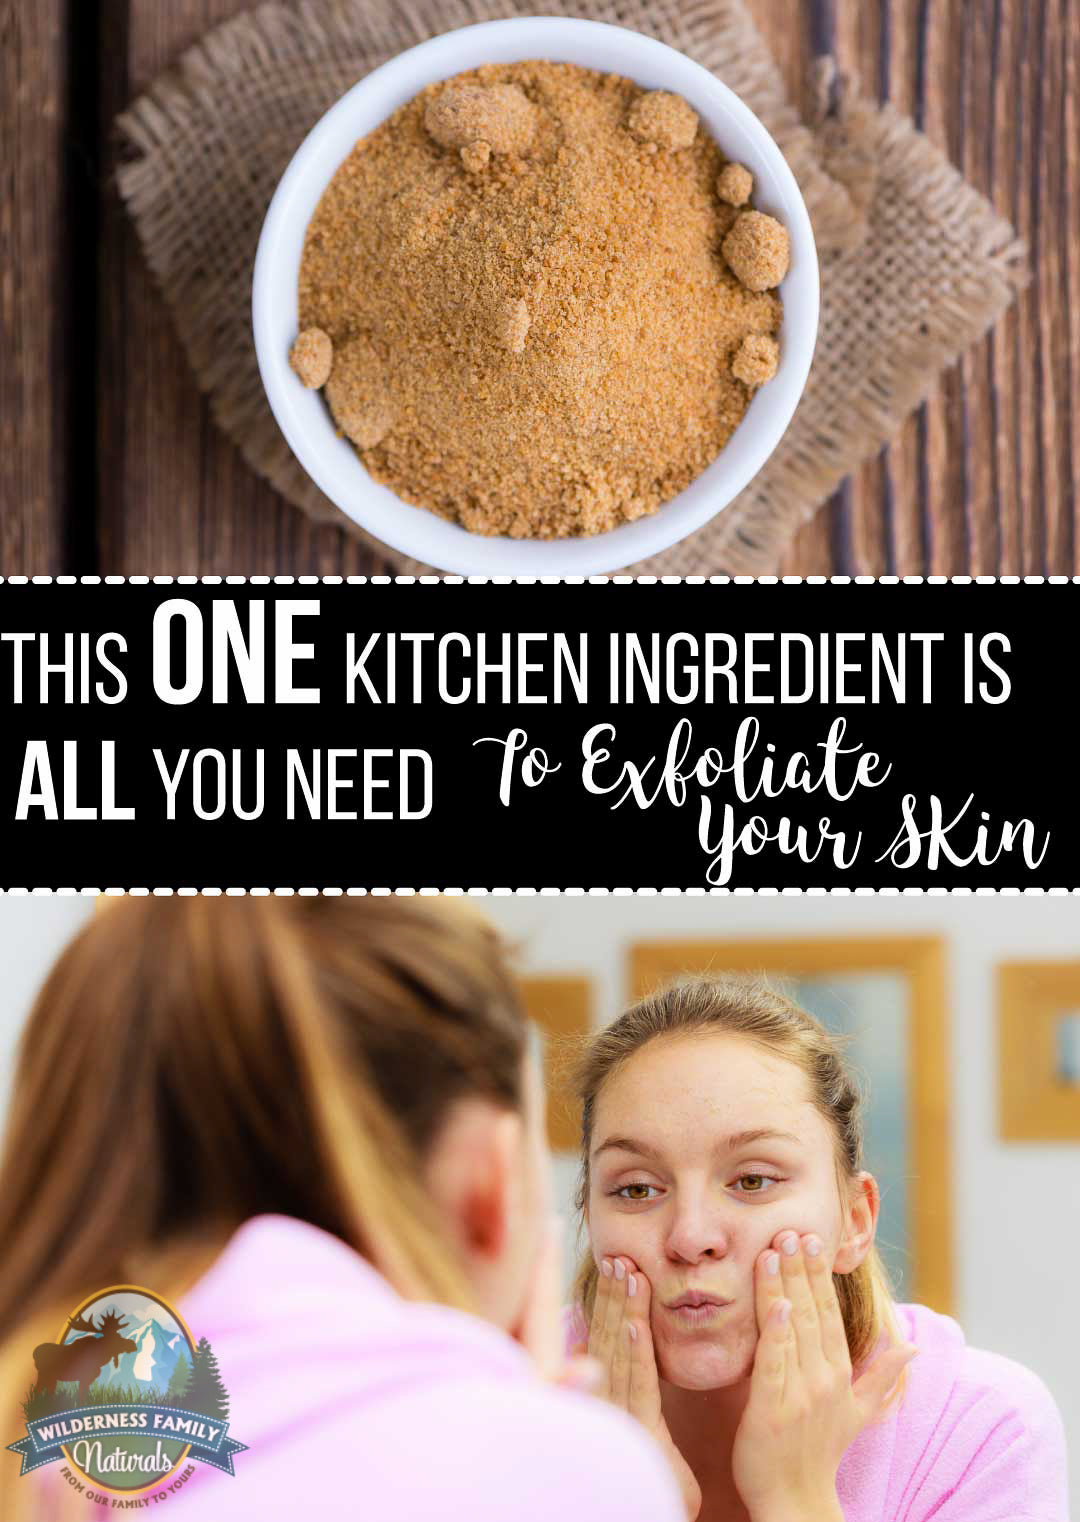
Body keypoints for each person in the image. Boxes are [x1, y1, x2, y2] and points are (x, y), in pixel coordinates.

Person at [0, 899, 685, 1522]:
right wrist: (534, 1445)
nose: (693, 1238)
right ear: (492, 1185)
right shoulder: (565, 1474)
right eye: (633, 1187)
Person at [568, 975, 1069, 1522]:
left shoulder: (981, 1427)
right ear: (591, 1218)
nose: (691, 1238)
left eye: (753, 1181)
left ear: (855, 1221)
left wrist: (795, 1500)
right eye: (637, 1189)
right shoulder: (506, 1401)